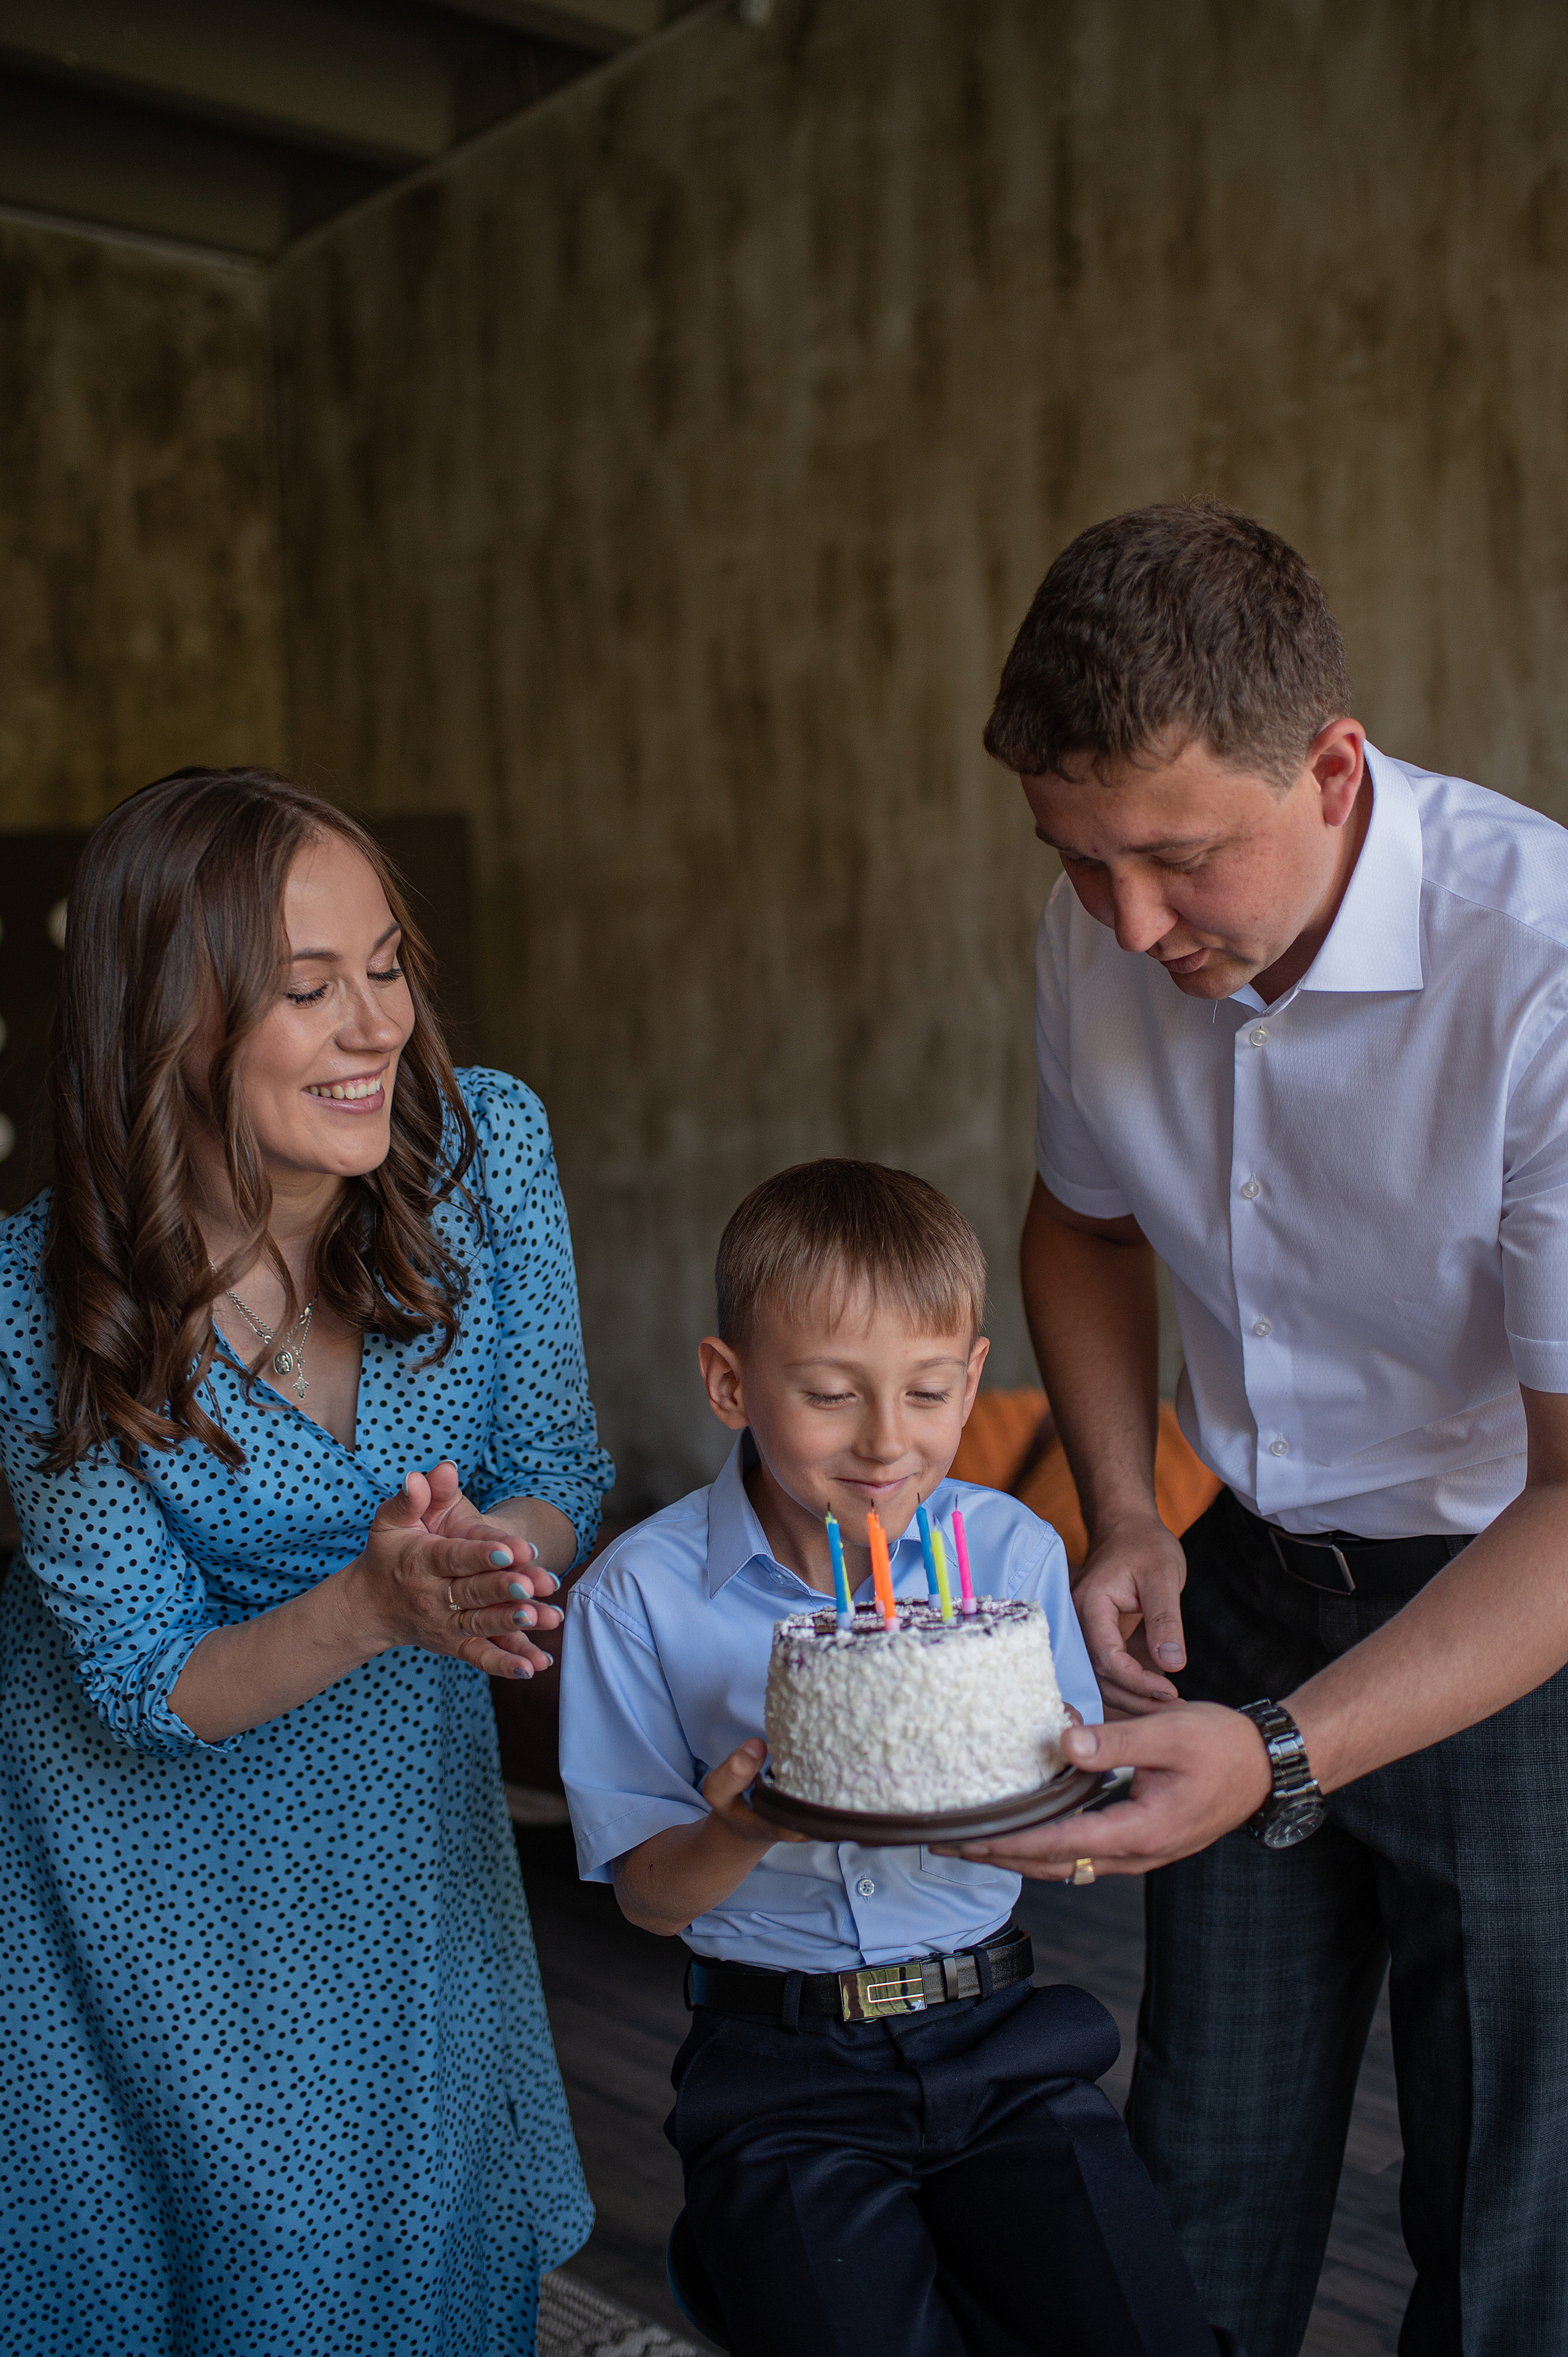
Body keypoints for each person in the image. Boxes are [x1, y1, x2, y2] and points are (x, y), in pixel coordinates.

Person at [950, 500, 1568, 2357]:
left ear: (1331, 766)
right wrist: (1129, 1512)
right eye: (1078, 864)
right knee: (1196, 2166)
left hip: (1508, 1617)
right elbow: (1084, 1219)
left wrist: (1284, 1757)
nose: (1130, 924)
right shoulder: (1109, 934)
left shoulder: (1542, 973)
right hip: (1242, 1576)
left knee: (1510, 2211)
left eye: (1177, 860)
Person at [0, 768, 613, 2354]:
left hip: (402, 1833)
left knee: (425, 2240)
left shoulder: (486, 1158)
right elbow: (141, 1681)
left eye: (390, 965)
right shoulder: (29, 1297)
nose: (378, 1026)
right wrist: (374, 1601)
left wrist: (489, 1554)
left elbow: (557, 1471)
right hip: (141, 1871)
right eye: (309, 987)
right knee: (231, 2259)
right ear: (171, 1019)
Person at [558, 1159, 1235, 2357]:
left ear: (972, 1378)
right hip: (778, 2074)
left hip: (1000, 2035)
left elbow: (1068, 1774)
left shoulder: (1011, 1555)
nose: (885, 1443)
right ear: (729, 1382)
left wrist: (1091, 1808)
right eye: (828, 1393)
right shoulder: (637, 1597)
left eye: (926, 1391)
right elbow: (647, 1898)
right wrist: (746, 1822)